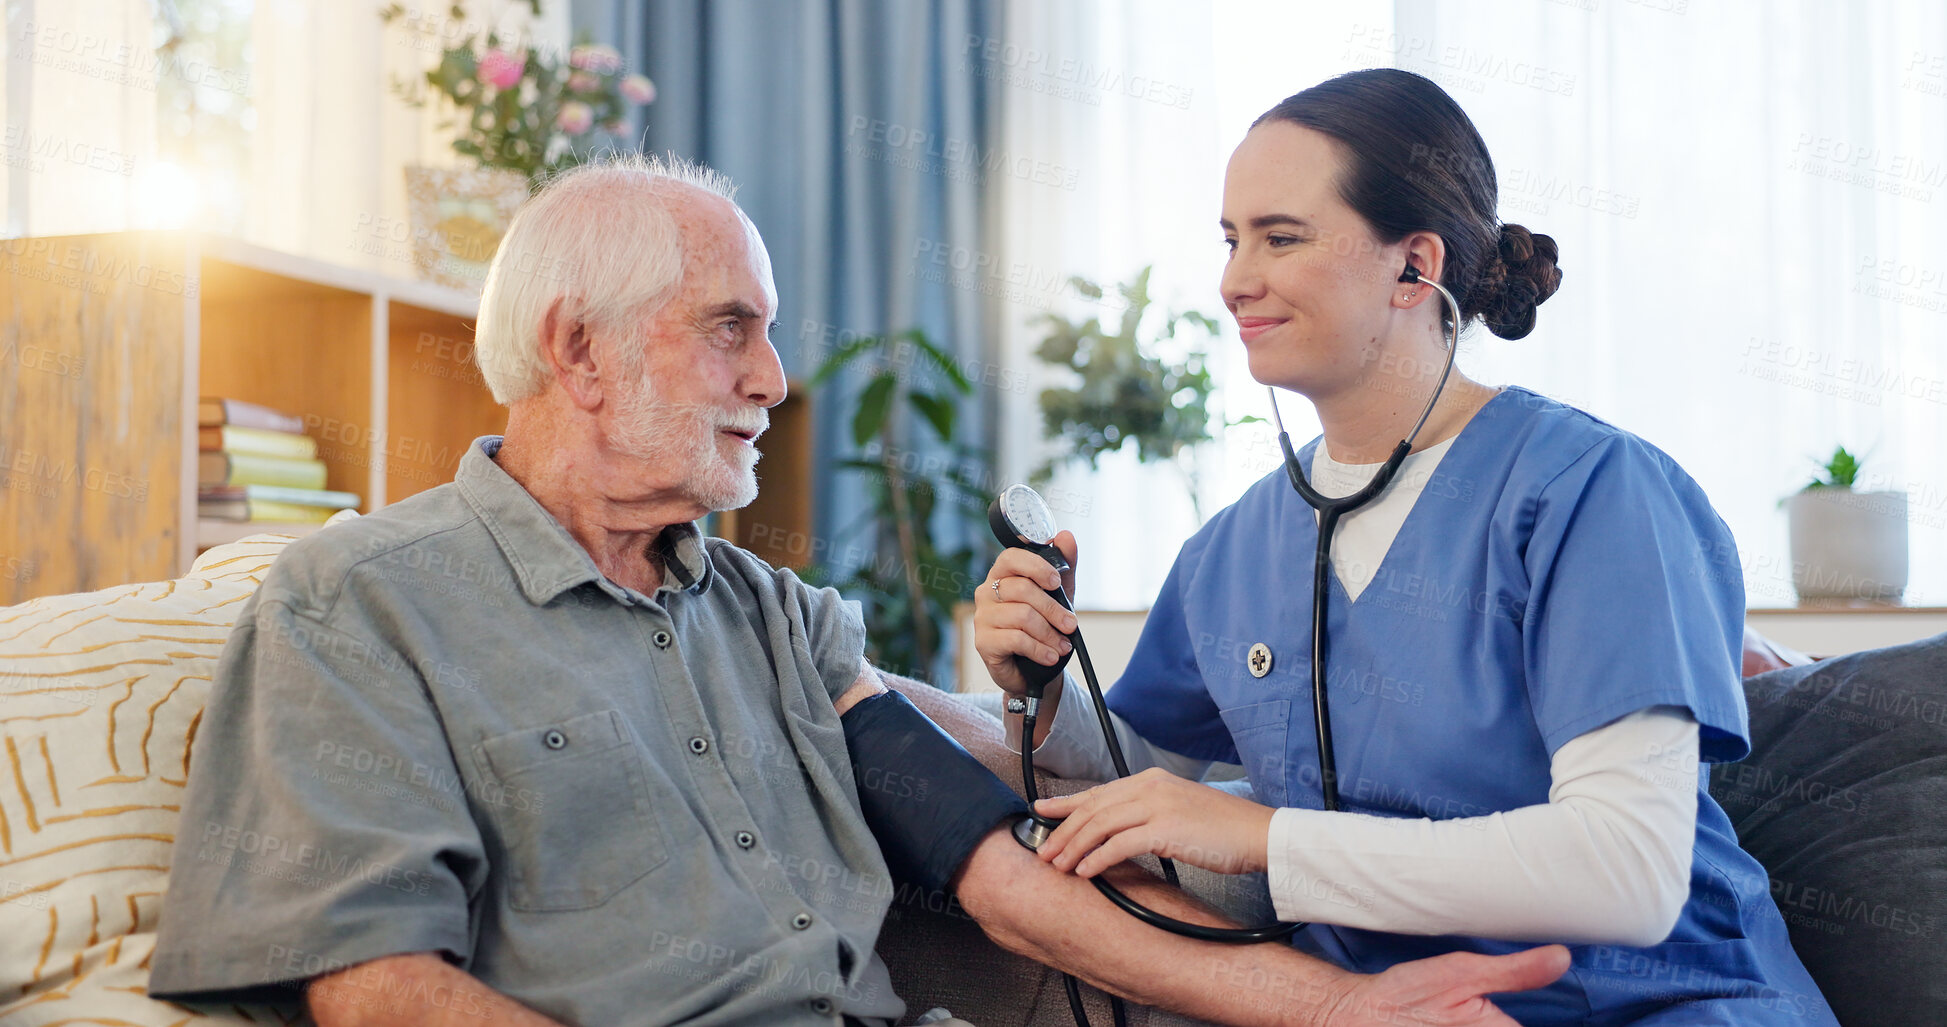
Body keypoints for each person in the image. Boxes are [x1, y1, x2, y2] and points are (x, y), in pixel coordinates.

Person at [146, 153, 1568, 1027]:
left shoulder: (771, 614)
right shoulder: (362, 607)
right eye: (729, 334)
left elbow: (1003, 873)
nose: (772, 380)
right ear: (578, 351)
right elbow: (375, 987)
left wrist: (1342, 1004)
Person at [975, 69, 1839, 1026]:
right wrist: (1040, 681)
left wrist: (1262, 837)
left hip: (1663, 1005)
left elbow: (1626, 872)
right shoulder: (1231, 550)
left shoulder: (1593, 493)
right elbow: (1139, 778)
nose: (1233, 281)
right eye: (1229, 240)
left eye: (1279, 236)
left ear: (1412, 267)